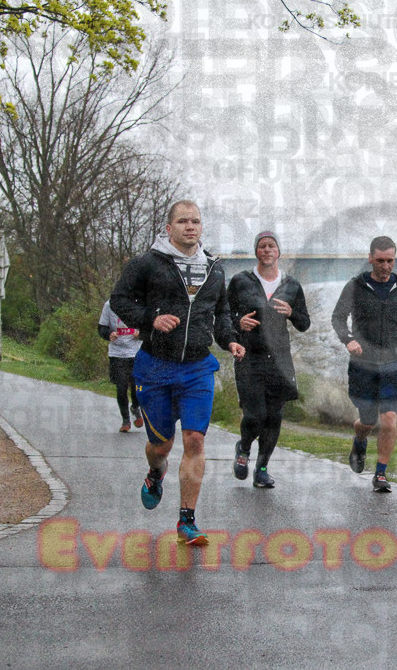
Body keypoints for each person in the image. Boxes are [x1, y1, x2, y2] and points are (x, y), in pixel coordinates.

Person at [110, 200, 246, 546]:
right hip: (155, 366)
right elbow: (119, 300)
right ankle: (156, 472)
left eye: (196, 221)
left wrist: (230, 339)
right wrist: (151, 319)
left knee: (195, 439)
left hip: (197, 368)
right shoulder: (146, 264)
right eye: (183, 221)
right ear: (169, 228)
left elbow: (221, 313)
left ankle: (187, 520)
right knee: (161, 445)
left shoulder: (214, 269)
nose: (190, 227)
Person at [331, 236, 397, 492]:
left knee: (390, 418)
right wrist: (348, 339)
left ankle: (381, 474)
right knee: (367, 422)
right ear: (370, 258)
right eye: (380, 260)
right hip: (363, 364)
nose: (385, 266)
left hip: (392, 363)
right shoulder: (355, 286)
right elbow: (338, 317)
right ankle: (359, 440)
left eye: (390, 260)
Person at [227, 231, 311, 489]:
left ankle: (262, 469)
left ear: (278, 252)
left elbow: (304, 323)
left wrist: (292, 312)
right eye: (262, 246)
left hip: (279, 360)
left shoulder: (291, 285)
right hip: (249, 357)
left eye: (271, 246)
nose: (266, 250)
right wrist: (238, 322)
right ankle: (243, 448)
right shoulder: (240, 281)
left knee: (274, 417)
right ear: (256, 252)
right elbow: (223, 315)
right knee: (255, 415)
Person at [98, 300, 144, 432]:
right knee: (121, 387)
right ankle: (126, 420)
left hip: (136, 352)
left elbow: (149, 327)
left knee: (137, 387)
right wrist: (109, 334)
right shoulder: (109, 305)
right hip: (117, 353)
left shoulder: (140, 303)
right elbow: (101, 328)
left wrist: (140, 334)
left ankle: (135, 407)